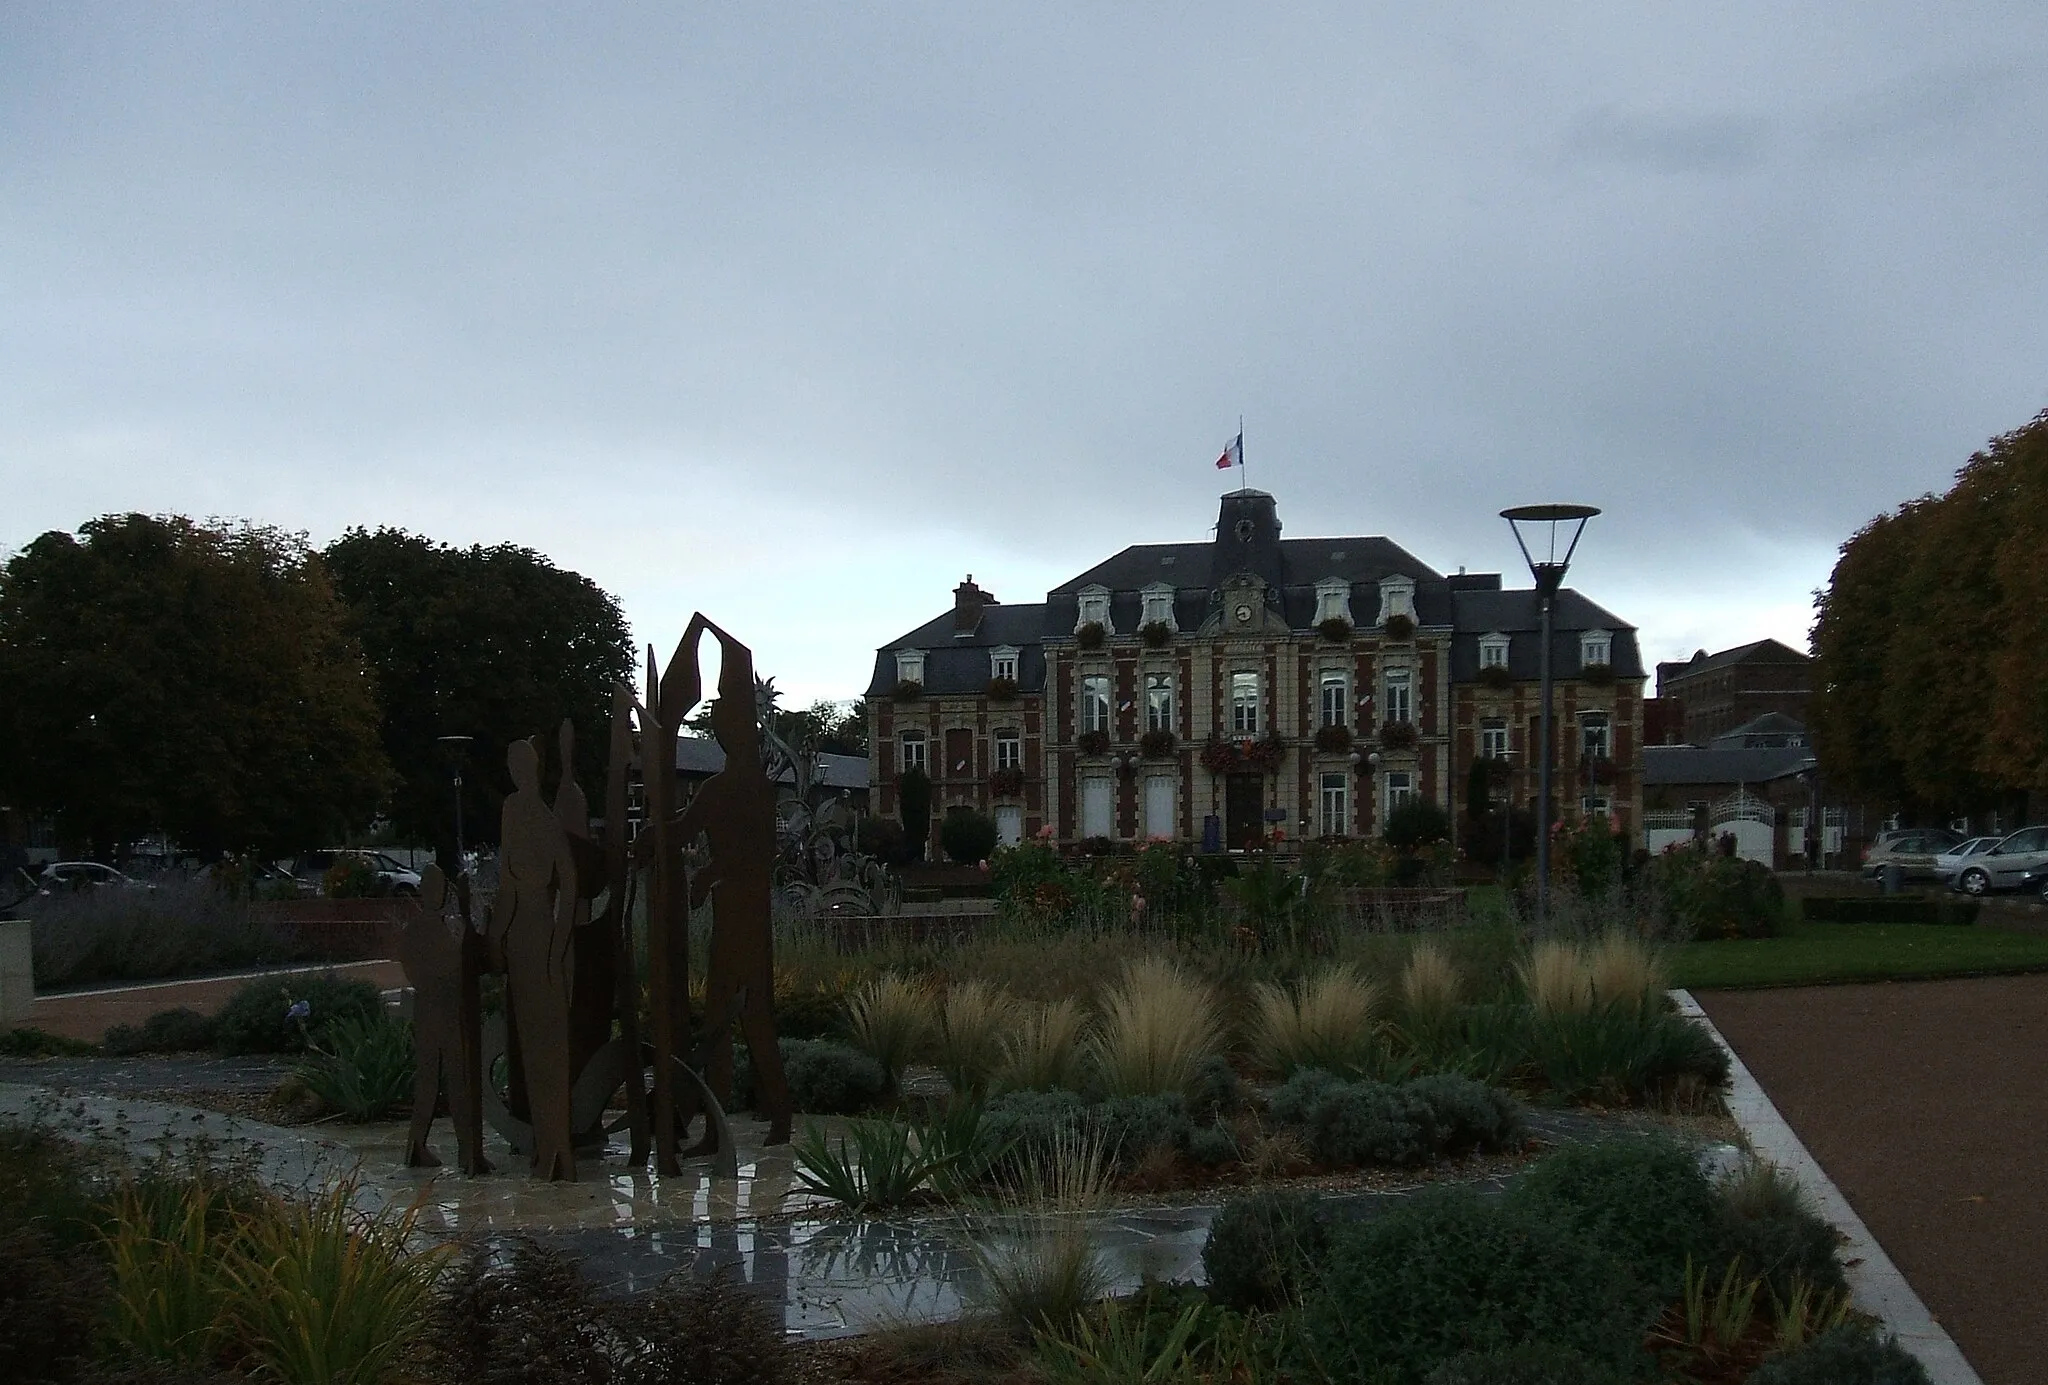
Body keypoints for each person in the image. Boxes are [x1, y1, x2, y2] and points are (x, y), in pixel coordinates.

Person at [668, 615, 793, 1146]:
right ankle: (748, 1123)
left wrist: (706, 871)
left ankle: (752, 1121)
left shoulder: (730, 789)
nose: (722, 733)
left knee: (737, 1017)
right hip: (741, 917)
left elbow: (745, 851)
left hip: (740, 916)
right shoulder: (747, 785)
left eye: (727, 725)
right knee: (737, 1017)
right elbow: (684, 833)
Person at [492, 738, 581, 1180]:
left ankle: (556, 1147)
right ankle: (549, 1145)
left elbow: (568, 882)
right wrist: (495, 940)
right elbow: (511, 888)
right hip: (529, 940)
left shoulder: (530, 814)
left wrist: (556, 945)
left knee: (547, 1047)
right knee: (533, 1046)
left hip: (538, 939)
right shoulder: (525, 812)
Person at [398, 863, 492, 1174]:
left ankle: (467, 1151)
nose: (438, 895)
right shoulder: (422, 932)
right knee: (436, 1084)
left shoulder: (445, 929)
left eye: (442, 889)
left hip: (446, 1013)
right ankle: (423, 1148)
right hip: (436, 1015)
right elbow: (441, 969)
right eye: (433, 888)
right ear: (424, 891)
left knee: (456, 1082)